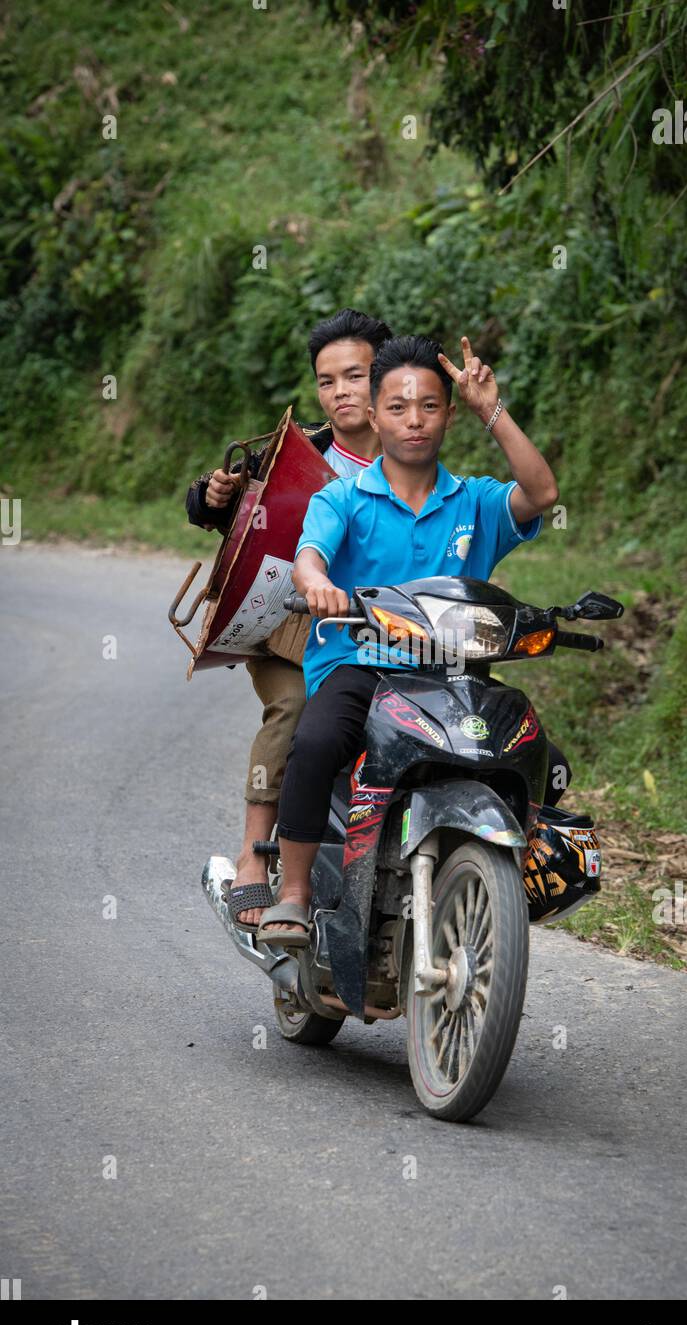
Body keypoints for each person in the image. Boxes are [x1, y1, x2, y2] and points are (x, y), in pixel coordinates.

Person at [255, 332, 568, 948]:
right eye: (397, 407)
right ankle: (292, 894)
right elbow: (309, 558)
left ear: (450, 414)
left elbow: (543, 494)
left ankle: (501, 874)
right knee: (314, 742)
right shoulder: (342, 497)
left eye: (429, 405)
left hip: (453, 673)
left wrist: (493, 410)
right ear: (374, 416)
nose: (414, 420)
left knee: (544, 761)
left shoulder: (474, 501)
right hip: (360, 664)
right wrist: (317, 585)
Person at [185, 308, 393, 926]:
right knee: (297, 708)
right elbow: (233, 511)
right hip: (291, 632)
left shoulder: (415, 450)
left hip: (390, 633)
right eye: (327, 381)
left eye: (355, 376)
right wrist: (214, 495)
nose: (340, 393)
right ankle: (255, 856)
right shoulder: (297, 453)